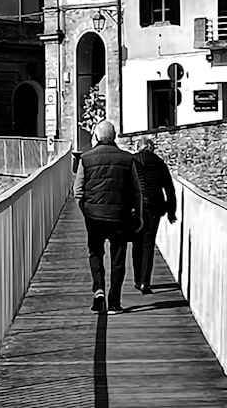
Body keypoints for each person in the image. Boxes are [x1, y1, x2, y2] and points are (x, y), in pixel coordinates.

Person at [73, 120, 141, 315]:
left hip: (93, 215)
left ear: (96, 136)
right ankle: (114, 303)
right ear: (115, 136)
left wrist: (85, 211)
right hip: (120, 215)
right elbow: (136, 191)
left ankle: (98, 290)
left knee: (95, 253)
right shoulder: (127, 159)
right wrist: (137, 215)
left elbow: (78, 190)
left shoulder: (86, 158)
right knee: (118, 259)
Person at [132, 138, 177, 294]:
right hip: (155, 208)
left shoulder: (133, 161)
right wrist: (171, 211)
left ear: (138, 147)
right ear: (152, 148)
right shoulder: (159, 163)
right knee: (148, 244)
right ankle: (145, 282)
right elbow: (169, 189)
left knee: (137, 243)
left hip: (137, 207)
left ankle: (138, 279)